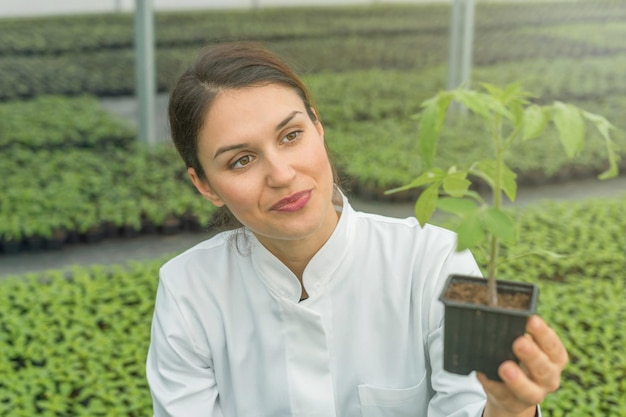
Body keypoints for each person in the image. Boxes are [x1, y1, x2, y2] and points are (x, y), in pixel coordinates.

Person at [146, 41, 568, 417]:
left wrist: (511, 408)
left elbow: (471, 404)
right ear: (204, 185)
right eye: (241, 160)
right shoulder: (189, 290)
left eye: (291, 135)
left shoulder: (434, 259)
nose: (281, 173)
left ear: (318, 127)